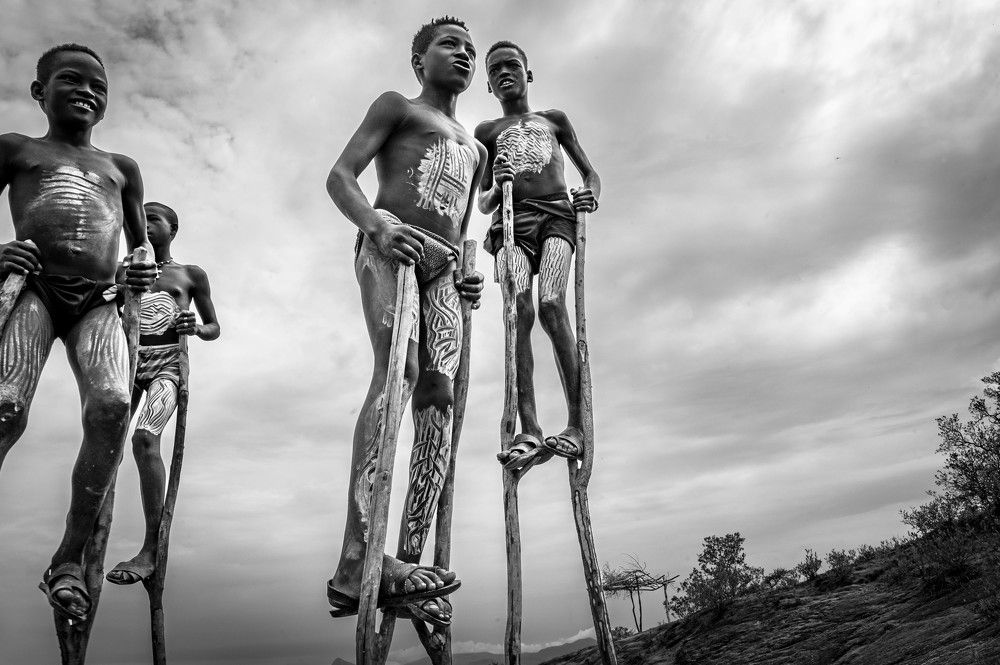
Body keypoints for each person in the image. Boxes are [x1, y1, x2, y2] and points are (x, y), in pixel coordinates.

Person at [325, 16, 486, 627]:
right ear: (420, 59)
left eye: (470, 48)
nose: (464, 54)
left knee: (438, 395)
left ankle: (410, 557)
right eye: (451, 45)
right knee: (400, 370)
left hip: (444, 267)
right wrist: (378, 226)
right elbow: (341, 177)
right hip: (394, 246)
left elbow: (460, 220)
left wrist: (468, 274)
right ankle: (358, 557)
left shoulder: (474, 146)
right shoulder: (397, 107)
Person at [0, 44, 156, 622]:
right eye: (71, 79)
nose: (87, 90)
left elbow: (142, 247)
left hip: (97, 300)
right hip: (35, 288)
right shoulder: (17, 149)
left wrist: (141, 265)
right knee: (5, 406)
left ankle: (67, 561)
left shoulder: (121, 168)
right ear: (40, 91)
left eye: (99, 85)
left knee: (113, 405)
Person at [474, 40, 601, 471]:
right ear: (489, 85)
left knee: (551, 302)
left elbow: (591, 174)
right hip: (510, 225)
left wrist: (590, 196)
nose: (503, 73)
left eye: (512, 65)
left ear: (528, 74)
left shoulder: (554, 120)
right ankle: (528, 430)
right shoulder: (486, 134)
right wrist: (497, 182)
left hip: (557, 218)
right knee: (517, 313)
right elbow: (484, 203)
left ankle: (576, 424)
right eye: (494, 71)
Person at [106, 201, 220, 586]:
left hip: (167, 367)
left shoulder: (189, 275)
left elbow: (214, 326)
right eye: (140, 217)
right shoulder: (122, 269)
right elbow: (99, 308)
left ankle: (151, 547)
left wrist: (195, 327)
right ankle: (86, 541)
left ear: (172, 230)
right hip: (126, 364)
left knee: (143, 439)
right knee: (105, 444)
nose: (145, 223)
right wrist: (118, 287)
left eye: (154, 218)